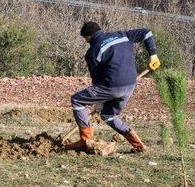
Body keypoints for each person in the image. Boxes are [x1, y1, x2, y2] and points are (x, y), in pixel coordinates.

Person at [65, 21, 161, 152]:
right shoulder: (122, 35)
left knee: (77, 100)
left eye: (85, 39)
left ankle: (85, 141)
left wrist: (99, 100)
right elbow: (147, 33)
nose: (86, 41)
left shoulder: (92, 52)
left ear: (89, 36)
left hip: (111, 86)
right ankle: (139, 145)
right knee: (108, 115)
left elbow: (97, 79)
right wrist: (153, 55)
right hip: (130, 85)